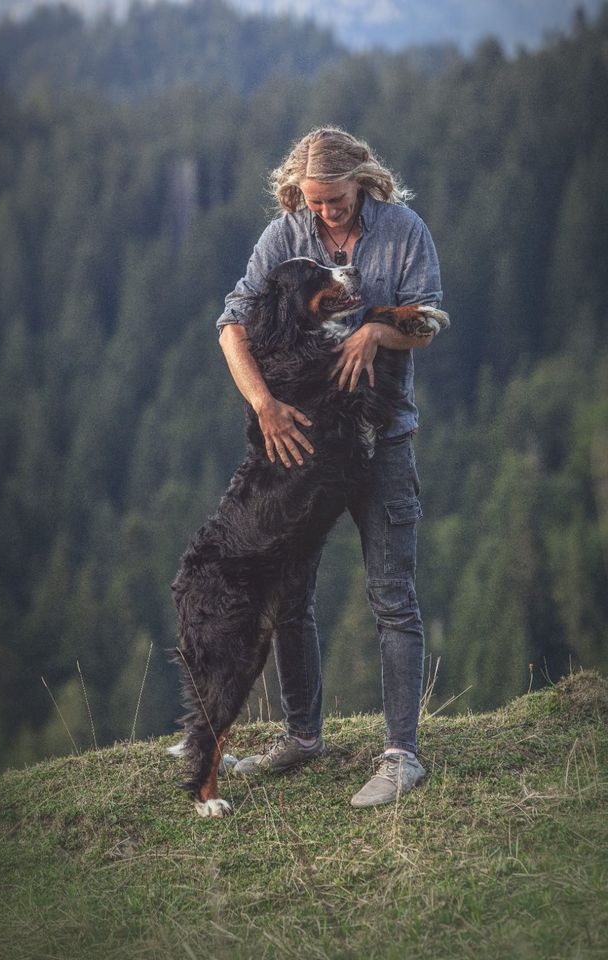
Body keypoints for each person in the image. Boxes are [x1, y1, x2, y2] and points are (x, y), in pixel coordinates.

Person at [215, 127, 444, 807]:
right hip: (301, 445)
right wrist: (264, 406)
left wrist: (379, 330)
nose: (324, 213)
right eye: (313, 202)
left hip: (382, 440)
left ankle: (402, 755)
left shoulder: (404, 231)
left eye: (334, 199)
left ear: (362, 183)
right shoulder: (283, 235)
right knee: (289, 592)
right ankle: (300, 737)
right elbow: (231, 324)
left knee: (391, 597)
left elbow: (429, 318)